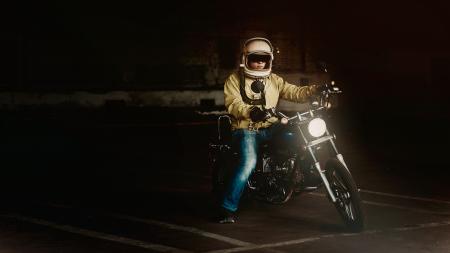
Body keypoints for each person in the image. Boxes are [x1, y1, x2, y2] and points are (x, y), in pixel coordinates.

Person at [217, 37, 325, 224]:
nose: (259, 62)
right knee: (248, 163)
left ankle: (304, 176)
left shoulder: (274, 80)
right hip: (246, 129)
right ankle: (227, 208)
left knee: (301, 137)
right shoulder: (233, 80)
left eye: (264, 58)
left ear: (270, 60)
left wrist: (316, 89)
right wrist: (251, 111)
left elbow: (295, 92)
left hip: (272, 125)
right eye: (255, 58)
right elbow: (233, 104)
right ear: (246, 59)